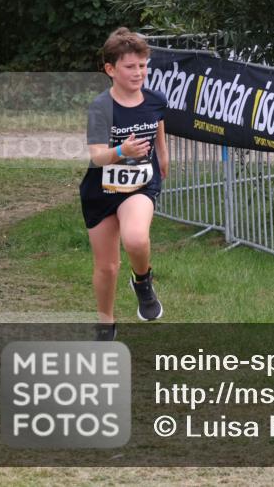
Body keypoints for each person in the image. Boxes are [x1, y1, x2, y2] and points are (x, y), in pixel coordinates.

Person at [80, 27, 169, 340]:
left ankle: (143, 282)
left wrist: (163, 155)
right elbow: (97, 157)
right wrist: (122, 151)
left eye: (143, 66)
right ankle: (106, 323)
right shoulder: (100, 108)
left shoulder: (156, 99)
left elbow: (157, 123)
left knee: (135, 239)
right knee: (106, 267)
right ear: (110, 69)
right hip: (100, 190)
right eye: (130, 67)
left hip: (139, 187)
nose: (139, 72)